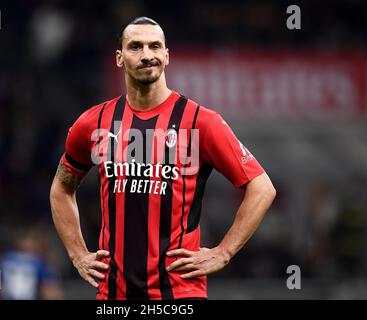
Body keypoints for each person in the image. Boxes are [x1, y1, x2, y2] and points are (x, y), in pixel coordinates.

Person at [50, 16, 276, 300]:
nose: (147, 55)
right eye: (136, 47)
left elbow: (262, 187)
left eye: (155, 46)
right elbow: (61, 187)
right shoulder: (94, 123)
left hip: (180, 294)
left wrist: (224, 252)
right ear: (119, 58)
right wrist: (78, 254)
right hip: (114, 296)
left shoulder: (201, 122)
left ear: (166, 56)